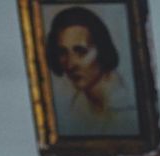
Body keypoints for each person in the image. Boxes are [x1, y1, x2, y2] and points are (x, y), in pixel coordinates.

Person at [45, 6, 138, 136]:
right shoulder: (74, 109)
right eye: (63, 52)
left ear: (102, 50)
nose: (70, 64)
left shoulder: (130, 108)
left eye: (81, 51)